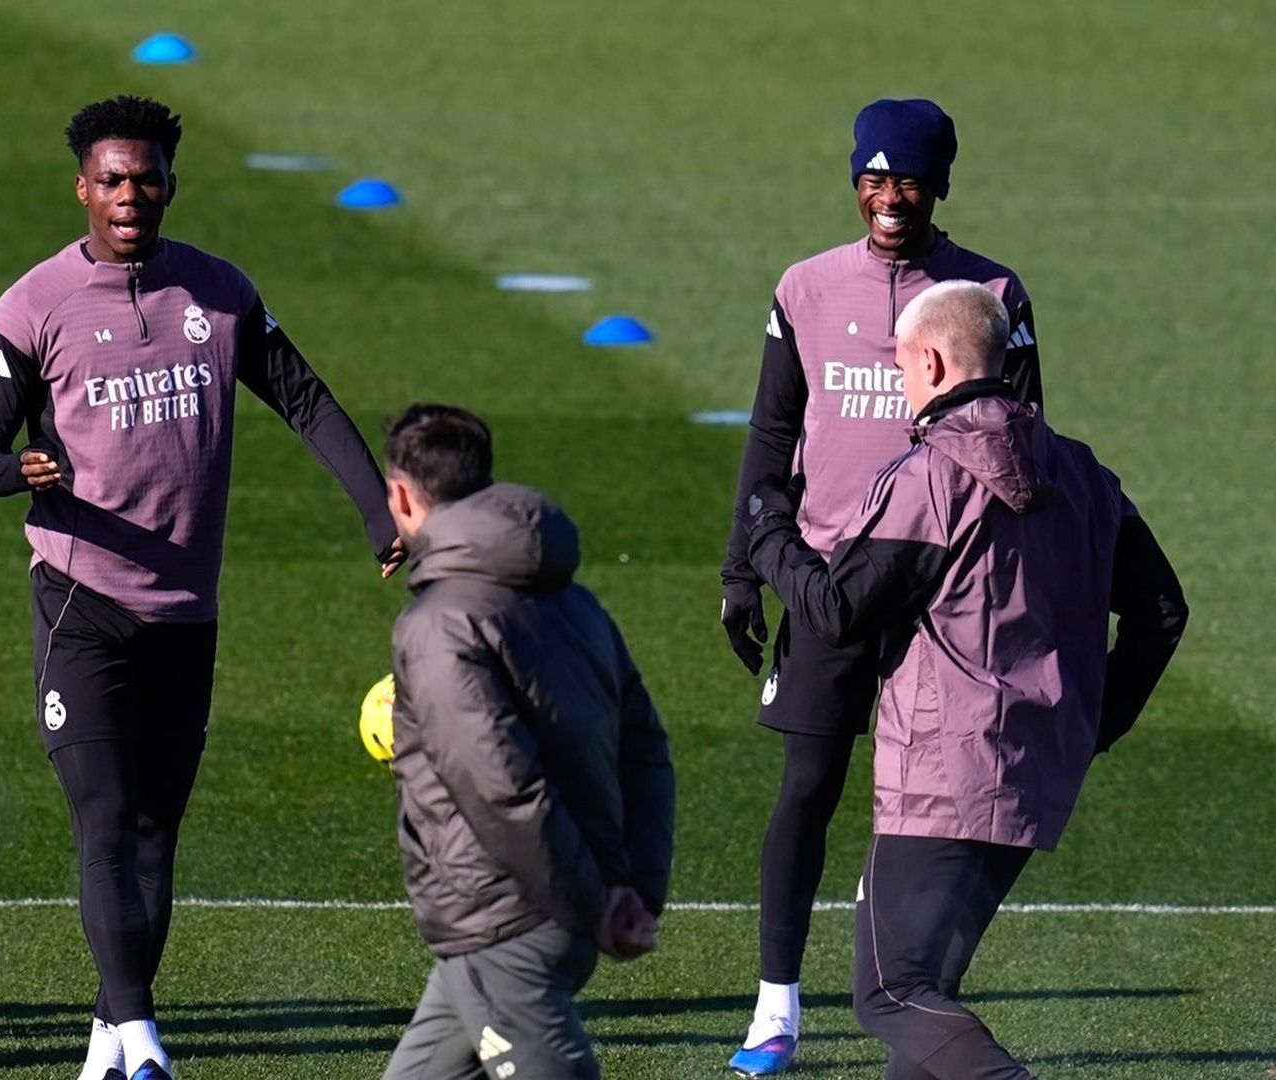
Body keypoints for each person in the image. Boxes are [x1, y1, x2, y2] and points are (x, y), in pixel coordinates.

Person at [0, 94, 402, 1080]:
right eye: (112, 179)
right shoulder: (32, 306)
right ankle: (146, 1039)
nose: (130, 195)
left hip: (185, 613)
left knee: (156, 834)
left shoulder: (219, 293)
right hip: (80, 602)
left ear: (170, 185)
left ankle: (108, 1040)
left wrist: (378, 512)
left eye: (146, 178)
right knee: (105, 821)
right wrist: (15, 469)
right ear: (81, 188)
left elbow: (304, 399)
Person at [742, 281, 1186, 1078]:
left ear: (934, 362)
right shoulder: (1083, 473)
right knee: (929, 996)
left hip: (943, 775)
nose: (903, 385)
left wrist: (768, 532)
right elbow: (1162, 610)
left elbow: (838, 611)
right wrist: (1094, 723)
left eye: (903, 368)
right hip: (1037, 771)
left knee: (891, 994)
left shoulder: (931, 479)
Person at [718, 98, 1044, 1076]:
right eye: (872, 178)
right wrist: (742, 569)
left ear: (939, 185)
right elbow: (772, 432)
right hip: (827, 584)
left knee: (927, 802)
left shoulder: (992, 293)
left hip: (943, 599)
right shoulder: (806, 288)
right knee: (809, 787)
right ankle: (775, 1010)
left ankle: (916, 998)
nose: (887, 197)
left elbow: (1022, 442)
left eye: (905, 180)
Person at [379, 404, 674, 1080]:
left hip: (504, 919)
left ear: (401, 495)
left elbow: (502, 790)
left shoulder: (438, 625)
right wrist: (632, 888)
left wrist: (598, 904)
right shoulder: (576, 603)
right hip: (537, 912)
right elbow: (645, 750)